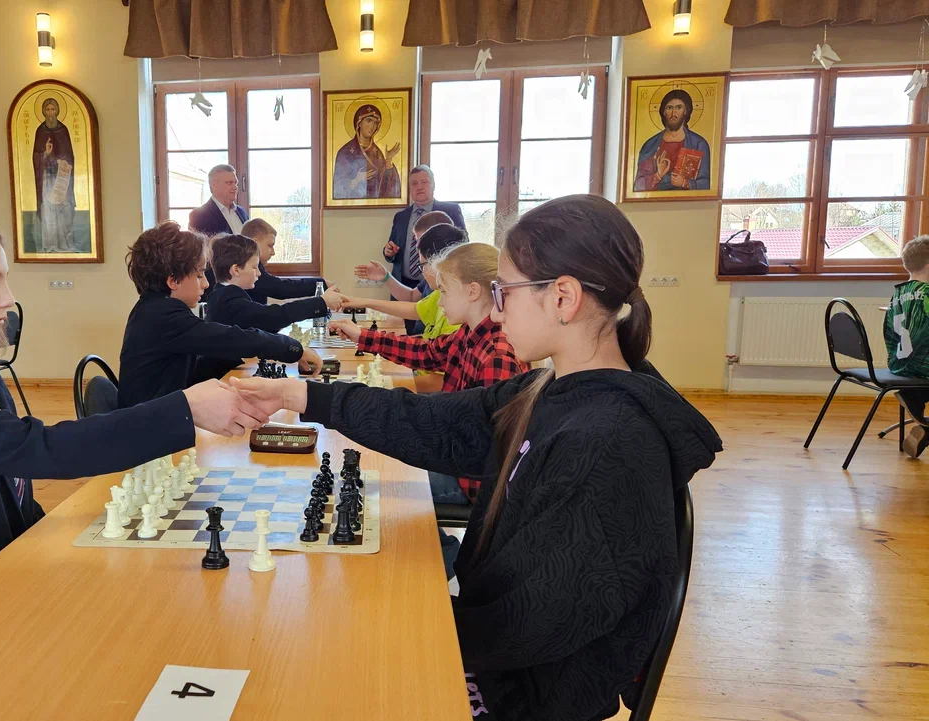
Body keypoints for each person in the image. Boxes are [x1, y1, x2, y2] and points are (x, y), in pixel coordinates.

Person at [233, 194, 722, 720]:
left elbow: (534, 622)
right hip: (501, 654)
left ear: (563, 297)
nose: (497, 306)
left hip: (524, 693)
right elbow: (436, 423)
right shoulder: (548, 389)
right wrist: (301, 396)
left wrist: (403, 623)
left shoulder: (607, 445)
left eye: (505, 291)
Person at [0, 210, 269, 654]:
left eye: (5, 281)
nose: (8, 299)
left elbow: (12, 488)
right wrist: (185, 407)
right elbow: (38, 449)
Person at [332, 242, 526, 574]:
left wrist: (415, 432)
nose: (439, 300)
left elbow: (487, 449)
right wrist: (361, 336)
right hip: (455, 457)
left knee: (385, 485)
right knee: (379, 470)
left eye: (444, 291)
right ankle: (446, 555)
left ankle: (441, 569)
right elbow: (426, 352)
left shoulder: (498, 354)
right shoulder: (470, 334)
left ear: (472, 291)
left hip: (471, 480)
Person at [118, 222, 322, 409]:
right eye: (199, 274)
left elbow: (200, 364)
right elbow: (230, 338)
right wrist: (291, 348)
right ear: (173, 281)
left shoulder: (153, 308)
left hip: (155, 415)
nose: (206, 283)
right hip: (150, 426)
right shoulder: (164, 317)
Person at [199, 234, 343, 380]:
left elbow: (266, 325)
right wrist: (321, 302)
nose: (259, 273)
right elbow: (273, 318)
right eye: (254, 267)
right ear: (236, 270)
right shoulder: (229, 300)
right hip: (220, 377)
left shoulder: (224, 294)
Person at [350, 220, 467, 340]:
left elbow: (431, 349)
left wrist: (366, 337)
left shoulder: (456, 312)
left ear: (437, 263)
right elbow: (414, 306)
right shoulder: (440, 292)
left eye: (422, 265)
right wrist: (362, 301)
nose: (440, 303)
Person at [383, 167, 466, 333]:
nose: (419, 187)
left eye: (424, 182)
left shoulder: (450, 211)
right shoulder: (401, 216)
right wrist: (389, 252)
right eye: (414, 183)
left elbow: (461, 244)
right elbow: (393, 245)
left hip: (438, 279)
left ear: (433, 185)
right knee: (409, 331)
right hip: (407, 283)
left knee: (428, 330)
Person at [884, 235, 929, 457]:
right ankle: (918, 405)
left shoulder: (897, 294)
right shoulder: (927, 293)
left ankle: (917, 402)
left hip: (900, 365)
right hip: (923, 368)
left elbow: (888, 334)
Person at [633, 89, 711, 192]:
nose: (673, 113)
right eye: (669, 108)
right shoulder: (650, 145)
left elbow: (706, 183)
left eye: (679, 107)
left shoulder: (698, 144)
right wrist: (658, 175)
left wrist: (685, 183)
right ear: (664, 112)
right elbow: (638, 186)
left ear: (685, 111)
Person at [239, 218, 328, 305]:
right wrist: (321, 284)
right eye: (270, 245)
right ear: (255, 243)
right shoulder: (247, 268)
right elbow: (280, 288)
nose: (273, 252)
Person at [32, 97, 78, 252]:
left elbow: (69, 156)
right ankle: (50, 244)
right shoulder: (40, 131)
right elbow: (36, 157)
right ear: (43, 112)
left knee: (64, 209)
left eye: (52, 109)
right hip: (47, 180)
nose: (50, 113)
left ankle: (65, 244)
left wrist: (61, 161)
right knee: (49, 210)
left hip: (62, 179)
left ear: (57, 111)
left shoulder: (63, 130)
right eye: (47, 110)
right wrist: (46, 153)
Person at [332, 103, 402, 200]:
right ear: (359, 123)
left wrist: (388, 160)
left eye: (375, 123)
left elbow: (388, 188)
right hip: (352, 206)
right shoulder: (345, 152)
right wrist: (357, 180)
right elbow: (338, 188)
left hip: (376, 207)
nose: (372, 126)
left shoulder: (378, 154)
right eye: (368, 121)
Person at [188, 164, 246, 237]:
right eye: (229, 183)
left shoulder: (242, 212)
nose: (235, 187)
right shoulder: (199, 216)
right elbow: (198, 244)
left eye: (235, 183)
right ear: (214, 185)